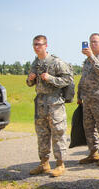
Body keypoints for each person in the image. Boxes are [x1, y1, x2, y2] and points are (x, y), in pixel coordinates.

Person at [26, 35, 73, 177]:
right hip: (40, 103)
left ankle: (60, 164)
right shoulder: (35, 63)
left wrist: (50, 78)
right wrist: (29, 79)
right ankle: (44, 163)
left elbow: (68, 80)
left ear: (46, 46)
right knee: (42, 133)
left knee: (58, 132)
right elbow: (30, 84)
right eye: (34, 44)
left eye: (39, 44)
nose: (36, 47)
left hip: (54, 103)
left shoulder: (56, 62)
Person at [77, 33, 99, 166]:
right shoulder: (87, 61)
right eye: (91, 42)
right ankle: (93, 153)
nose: (92, 44)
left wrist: (91, 56)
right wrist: (79, 95)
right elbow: (83, 78)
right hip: (87, 99)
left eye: (95, 42)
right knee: (89, 128)